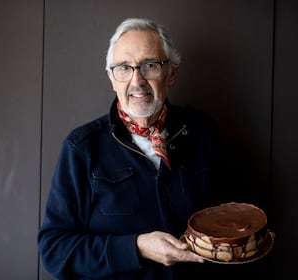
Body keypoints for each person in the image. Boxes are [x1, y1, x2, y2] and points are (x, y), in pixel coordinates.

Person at [38, 17, 225, 280]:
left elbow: (232, 224)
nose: (137, 81)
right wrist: (136, 248)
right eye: (124, 68)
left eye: (150, 65)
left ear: (171, 73)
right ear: (112, 78)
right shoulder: (82, 148)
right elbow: (54, 251)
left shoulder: (202, 133)